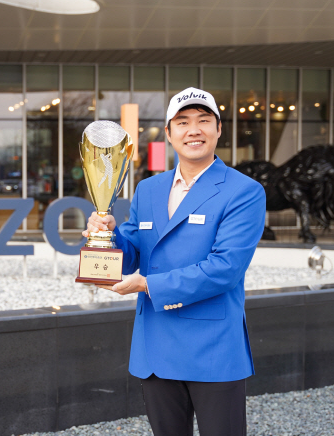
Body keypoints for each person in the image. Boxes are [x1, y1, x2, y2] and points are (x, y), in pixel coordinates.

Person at [83, 87, 266, 436]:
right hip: (156, 348)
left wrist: (149, 285)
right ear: (168, 134)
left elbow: (225, 268)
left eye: (203, 121)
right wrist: (108, 234)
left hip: (212, 350)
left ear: (218, 129)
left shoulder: (244, 191)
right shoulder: (149, 189)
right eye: (182, 122)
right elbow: (134, 251)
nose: (193, 130)